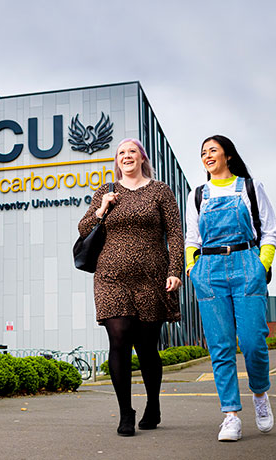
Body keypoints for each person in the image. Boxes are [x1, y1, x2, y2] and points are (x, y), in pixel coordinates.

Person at [77, 138, 183, 436]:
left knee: (147, 347)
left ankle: (153, 404)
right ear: (117, 160)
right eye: (121, 153)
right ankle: (125, 412)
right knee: (119, 339)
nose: (126, 156)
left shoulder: (160, 191)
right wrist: (101, 209)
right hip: (111, 276)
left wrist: (175, 270)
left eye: (131, 151)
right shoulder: (107, 191)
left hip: (152, 276)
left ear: (142, 157)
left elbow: (175, 234)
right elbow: (84, 228)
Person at [185, 135, 276, 441]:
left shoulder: (250, 187)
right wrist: (192, 269)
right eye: (203, 153)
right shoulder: (197, 194)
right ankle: (231, 416)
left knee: (253, 342)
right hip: (209, 271)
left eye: (213, 150)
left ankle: (260, 395)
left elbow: (270, 230)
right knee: (220, 346)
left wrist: (261, 265)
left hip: (246, 265)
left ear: (228, 155)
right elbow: (192, 237)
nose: (207, 155)